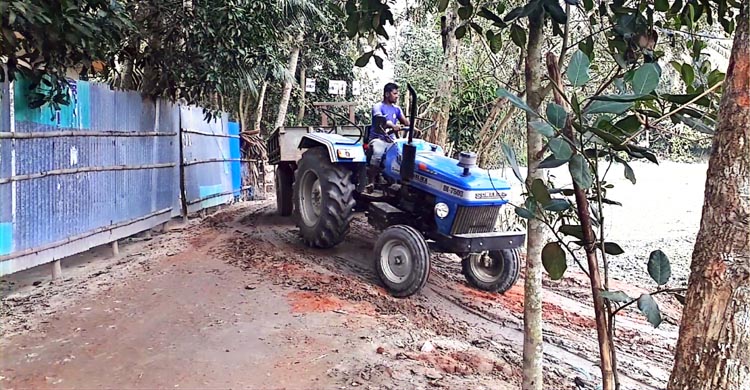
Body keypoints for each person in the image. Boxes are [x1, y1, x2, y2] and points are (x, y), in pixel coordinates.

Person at [367, 83, 410, 189]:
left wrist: (412, 126)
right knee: (378, 153)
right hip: (378, 139)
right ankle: (371, 181)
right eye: (394, 93)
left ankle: (398, 183)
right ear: (387, 94)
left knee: (403, 156)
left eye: (397, 94)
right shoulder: (378, 107)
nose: (397, 96)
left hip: (392, 140)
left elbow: (405, 122)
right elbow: (381, 120)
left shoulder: (397, 109)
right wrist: (392, 125)